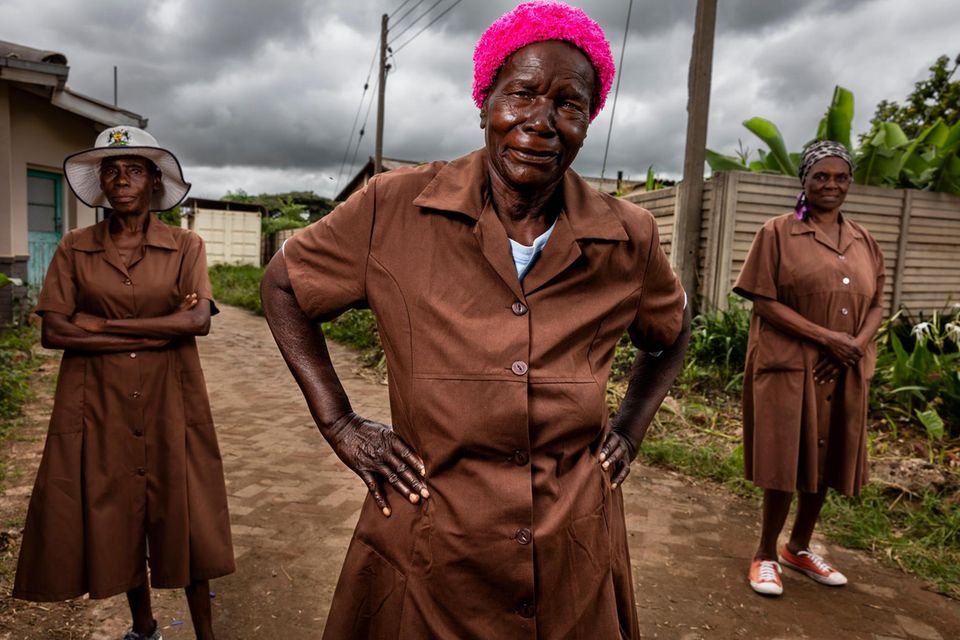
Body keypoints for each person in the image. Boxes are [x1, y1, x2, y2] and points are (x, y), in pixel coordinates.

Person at [260, 2, 690, 637]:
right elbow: (284, 284)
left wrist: (630, 428)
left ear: (588, 122)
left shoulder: (628, 235)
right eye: (521, 94)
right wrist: (339, 421)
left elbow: (673, 331)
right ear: (485, 100)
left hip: (570, 544)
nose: (540, 123)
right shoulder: (393, 208)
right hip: (431, 539)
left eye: (569, 105)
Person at [13, 126, 235, 640]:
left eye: (134, 169)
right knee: (120, 509)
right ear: (101, 183)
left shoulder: (186, 245)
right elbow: (53, 330)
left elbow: (196, 322)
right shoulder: (75, 247)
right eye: (111, 171)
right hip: (100, 401)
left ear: (153, 180)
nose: (121, 180)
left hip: (171, 399)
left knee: (186, 512)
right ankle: (144, 628)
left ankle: (207, 635)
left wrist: (101, 325)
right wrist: (159, 330)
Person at [734, 141, 885, 597]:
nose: (832, 185)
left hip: (844, 370)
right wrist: (828, 339)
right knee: (787, 459)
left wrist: (855, 346)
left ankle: (798, 547)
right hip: (791, 366)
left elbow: (878, 304)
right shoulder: (778, 232)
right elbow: (763, 300)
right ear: (804, 180)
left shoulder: (864, 240)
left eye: (841, 177)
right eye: (822, 176)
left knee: (826, 458)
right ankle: (764, 553)